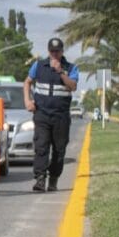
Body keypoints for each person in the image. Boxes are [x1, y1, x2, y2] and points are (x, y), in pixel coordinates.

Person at [23, 37, 79, 192]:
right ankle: (40, 179)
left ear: (62, 51)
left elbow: (73, 86)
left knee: (59, 150)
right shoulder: (39, 65)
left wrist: (60, 72)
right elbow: (27, 82)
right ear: (48, 51)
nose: (54, 54)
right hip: (42, 114)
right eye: (52, 51)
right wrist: (28, 101)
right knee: (41, 147)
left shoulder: (71, 68)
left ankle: (53, 179)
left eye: (57, 51)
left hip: (61, 116)